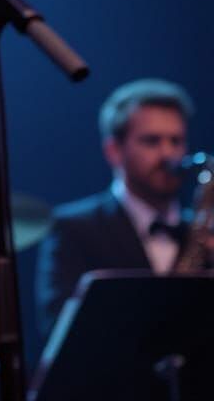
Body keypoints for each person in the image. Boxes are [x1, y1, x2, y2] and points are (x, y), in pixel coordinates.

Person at [35, 78, 195, 340]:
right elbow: (59, 330)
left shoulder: (199, 231)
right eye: (152, 141)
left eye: (176, 141)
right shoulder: (73, 228)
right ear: (114, 151)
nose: (169, 154)